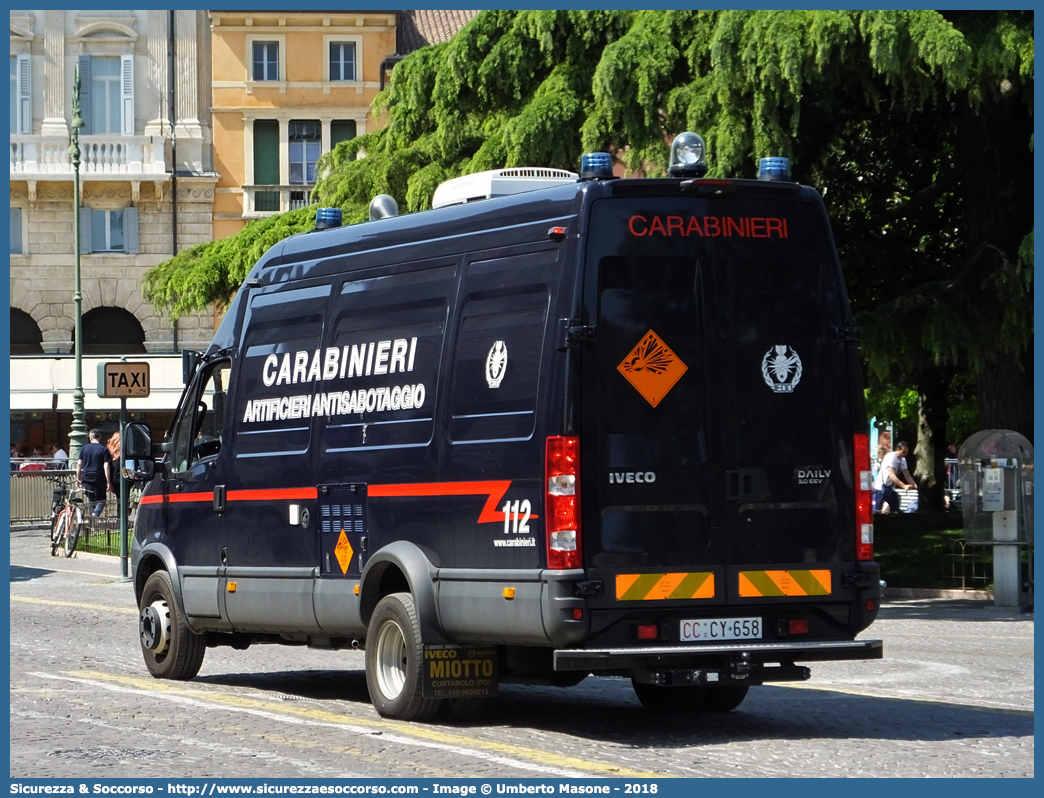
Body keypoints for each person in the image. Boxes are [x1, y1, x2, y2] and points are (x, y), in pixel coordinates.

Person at [76, 428, 113, 517]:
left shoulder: (84, 448)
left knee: (91, 499)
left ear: (90, 437)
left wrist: (78, 478)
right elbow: (106, 466)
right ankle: (95, 514)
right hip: (99, 478)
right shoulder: (104, 450)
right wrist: (108, 481)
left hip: (86, 477)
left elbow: (79, 464)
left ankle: (92, 516)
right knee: (102, 500)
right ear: (100, 437)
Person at [874, 440, 917, 514]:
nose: (905, 454)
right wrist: (904, 486)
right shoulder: (891, 457)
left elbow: (907, 475)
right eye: (903, 452)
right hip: (881, 488)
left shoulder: (902, 460)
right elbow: (892, 475)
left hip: (890, 488)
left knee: (895, 509)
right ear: (897, 449)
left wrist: (914, 485)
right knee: (878, 511)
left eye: (906, 452)